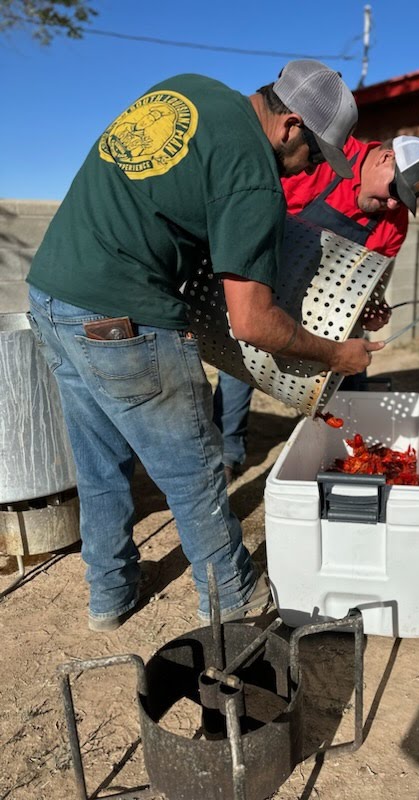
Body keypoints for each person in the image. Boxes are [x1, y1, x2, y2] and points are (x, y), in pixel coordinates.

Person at [26, 60, 383, 632]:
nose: (312, 167)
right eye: (315, 154)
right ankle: (235, 596)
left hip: (52, 296)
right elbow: (252, 323)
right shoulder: (254, 175)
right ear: (291, 126)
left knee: (98, 463)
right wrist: (338, 355)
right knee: (193, 469)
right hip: (124, 317)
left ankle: (109, 595)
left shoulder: (187, 89)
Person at [213, 134, 419, 483]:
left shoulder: (394, 224)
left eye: (405, 200)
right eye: (394, 192)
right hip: (269, 284)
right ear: (384, 159)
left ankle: (354, 453)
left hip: (327, 307)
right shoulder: (326, 158)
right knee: (240, 364)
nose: (393, 206)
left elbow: (372, 285)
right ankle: (227, 452)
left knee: (352, 367)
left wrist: (373, 309)